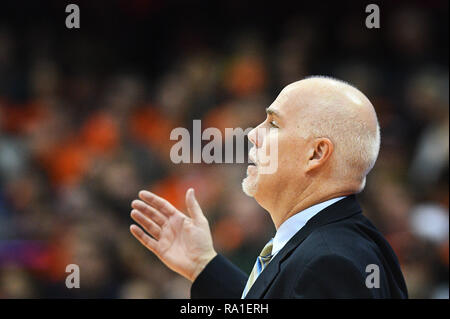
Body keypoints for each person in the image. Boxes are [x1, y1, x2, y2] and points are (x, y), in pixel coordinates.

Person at [129, 76, 408, 298]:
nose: (253, 133)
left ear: (316, 154)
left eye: (273, 124)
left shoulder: (329, 263)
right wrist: (203, 265)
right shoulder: (333, 247)